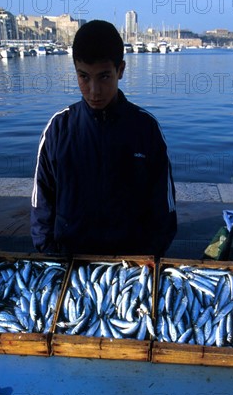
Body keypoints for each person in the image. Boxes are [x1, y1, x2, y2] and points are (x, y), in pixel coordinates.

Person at [31, 20, 177, 258]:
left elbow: (163, 207)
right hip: (70, 258)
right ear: (75, 70)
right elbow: (42, 203)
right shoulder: (58, 129)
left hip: (131, 263)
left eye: (104, 77)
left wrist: (147, 256)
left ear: (121, 70)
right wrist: (50, 253)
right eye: (84, 77)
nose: (94, 90)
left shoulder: (145, 128)